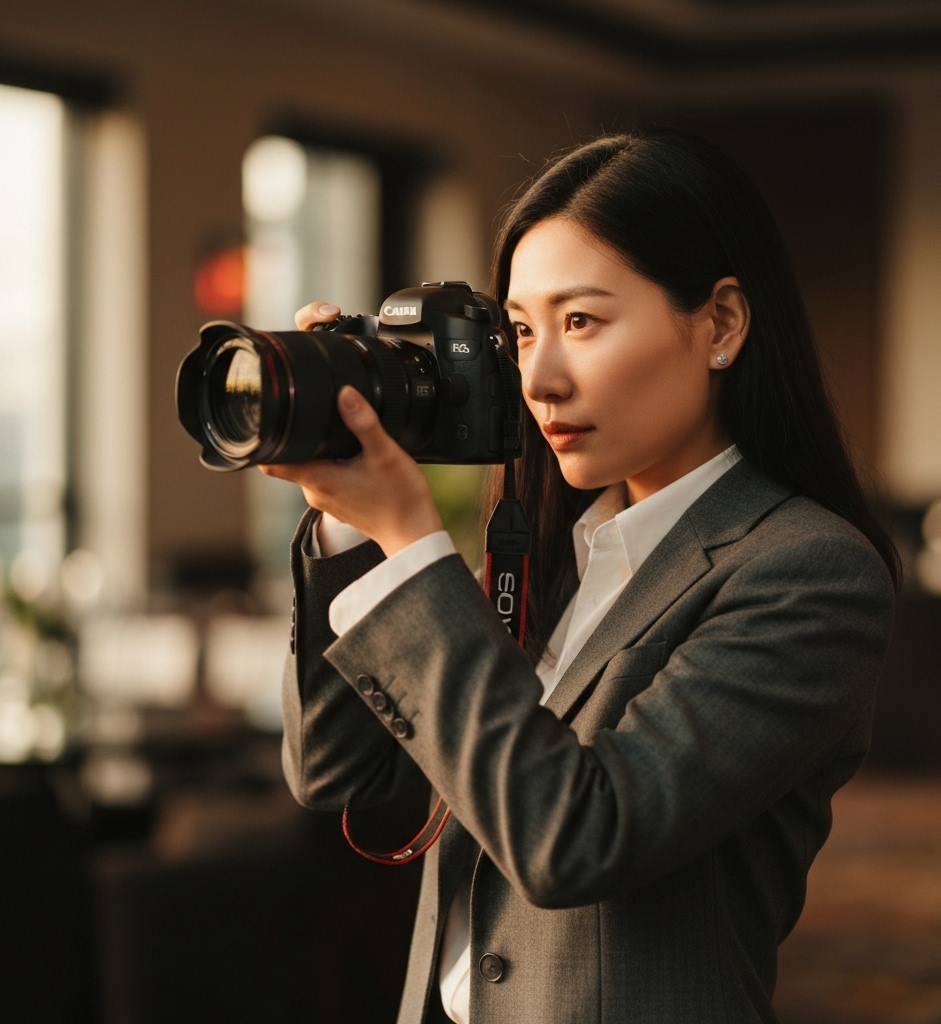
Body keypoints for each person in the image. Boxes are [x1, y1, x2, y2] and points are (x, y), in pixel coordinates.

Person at [265, 130, 898, 1024]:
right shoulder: (547, 555)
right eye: (520, 331)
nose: (540, 379)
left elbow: (576, 837)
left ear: (720, 324)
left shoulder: (807, 572)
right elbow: (332, 771)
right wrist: (342, 513)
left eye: (582, 322)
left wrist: (408, 539)